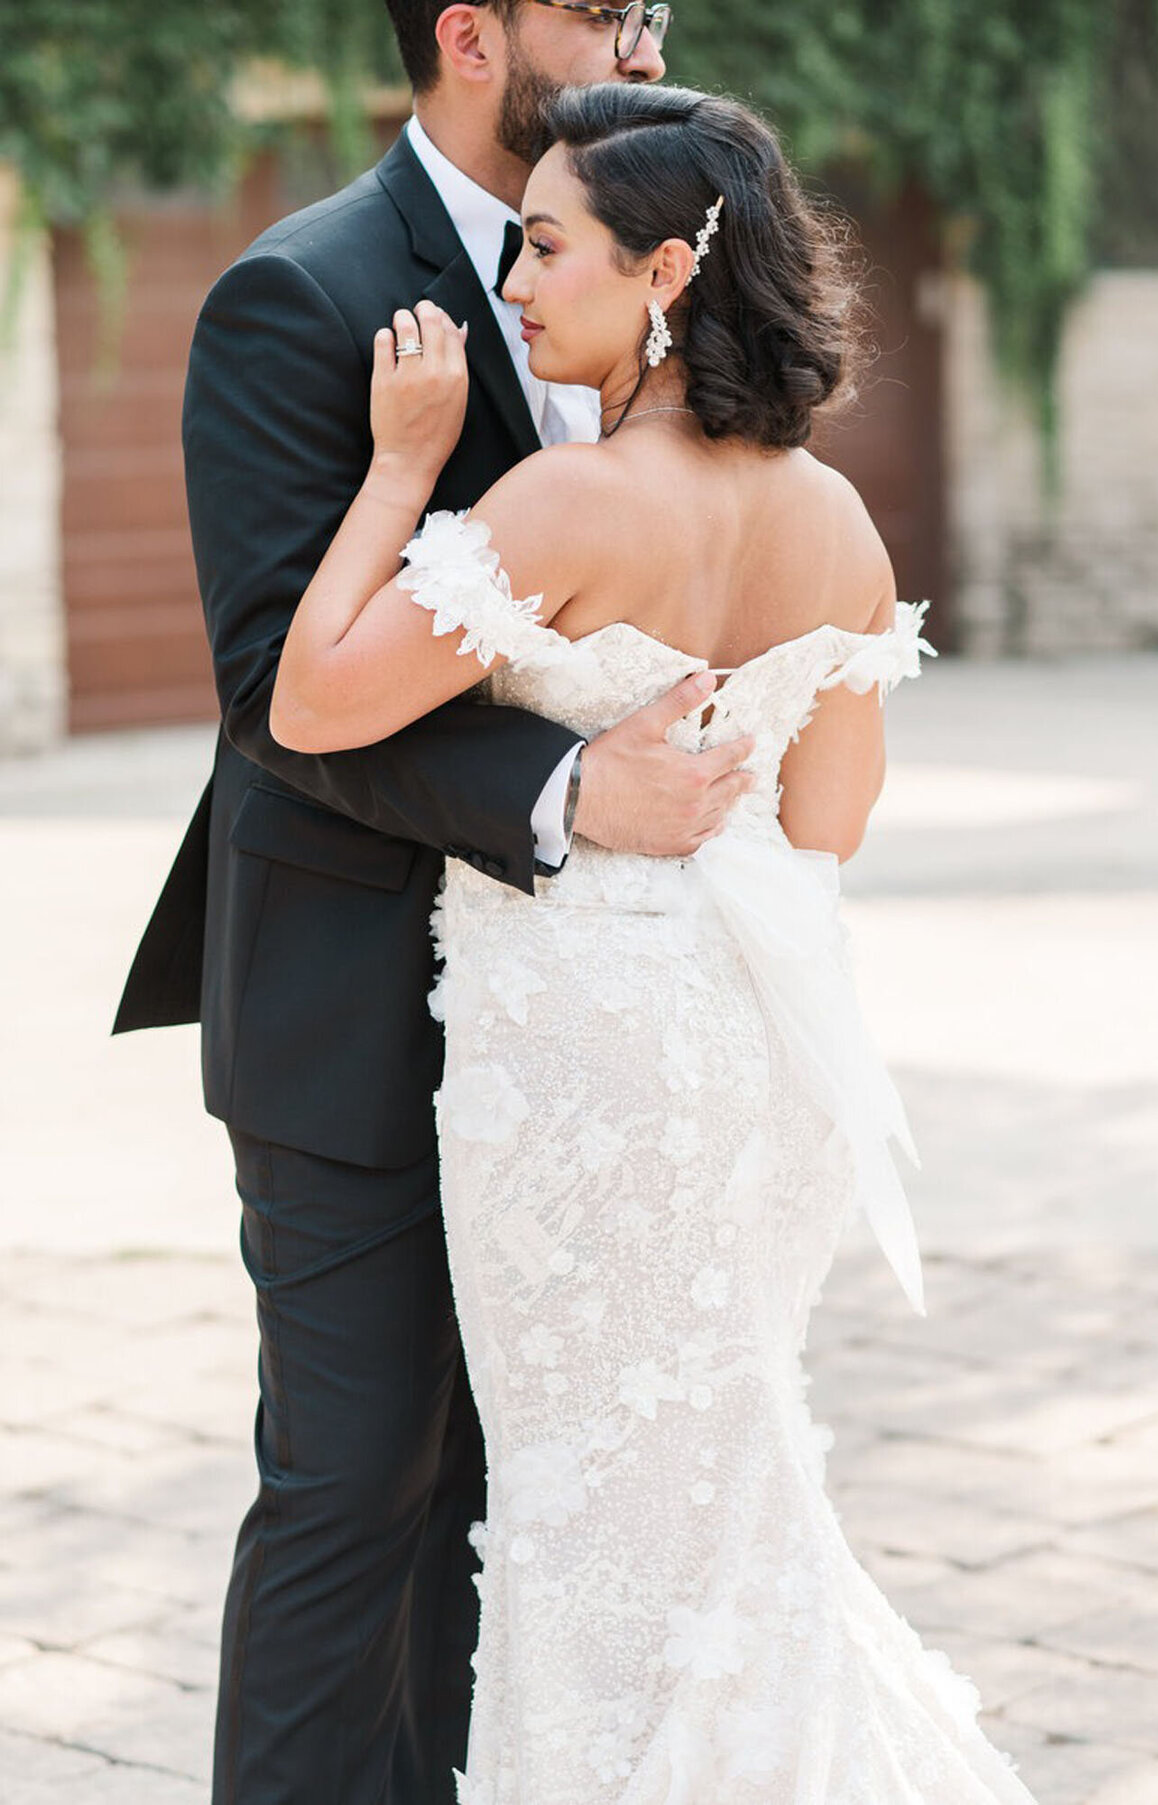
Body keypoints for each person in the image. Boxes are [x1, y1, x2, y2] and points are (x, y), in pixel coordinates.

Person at [271, 77, 1041, 1805]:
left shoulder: (565, 503)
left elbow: (316, 699)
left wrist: (400, 467)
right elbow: (826, 827)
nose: (519, 286)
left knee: (587, 1498)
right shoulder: (834, 520)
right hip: (761, 1054)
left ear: (670, 271)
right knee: (719, 1473)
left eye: (549, 249)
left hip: (587, 1066)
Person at [112, 7, 756, 1803]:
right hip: (354, 1003)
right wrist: (567, 792)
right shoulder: (299, 296)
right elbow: (273, 691)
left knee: (518, 1492)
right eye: (599, 4)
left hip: (583, 1030)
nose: (644, 28)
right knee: (358, 1481)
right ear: (473, 34)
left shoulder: (666, 262)